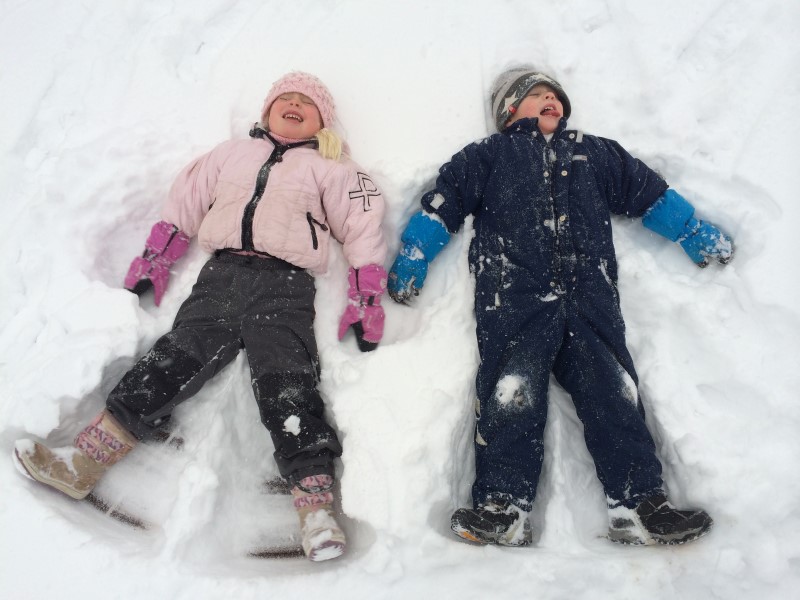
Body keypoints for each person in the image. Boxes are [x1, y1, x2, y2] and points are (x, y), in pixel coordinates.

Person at [14, 71, 388, 562]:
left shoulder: (333, 168)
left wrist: (365, 295)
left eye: (307, 103)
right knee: (173, 360)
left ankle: (314, 510)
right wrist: (158, 257)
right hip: (222, 276)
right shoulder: (231, 154)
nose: (294, 105)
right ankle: (83, 462)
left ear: (322, 122)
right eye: (285, 98)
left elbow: (362, 225)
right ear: (267, 109)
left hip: (286, 285)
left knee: (287, 382)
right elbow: (188, 199)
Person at [388, 66, 732, 547]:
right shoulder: (487, 157)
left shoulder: (595, 152)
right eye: (536, 95)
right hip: (513, 297)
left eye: (555, 95)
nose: (551, 100)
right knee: (512, 392)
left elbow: (649, 193)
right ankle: (503, 506)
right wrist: (415, 253)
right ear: (509, 112)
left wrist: (691, 231)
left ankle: (639, 504)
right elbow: (441, 205)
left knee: (614, 393)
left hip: (590, 297)